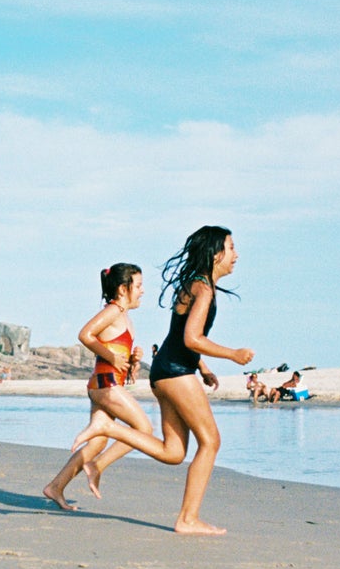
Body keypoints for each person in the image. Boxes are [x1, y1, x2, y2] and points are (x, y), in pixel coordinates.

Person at [71, 227, 254, 534]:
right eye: (231, 248)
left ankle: (108, 432)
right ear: (215, 254)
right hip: (175, 373)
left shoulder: (196, 284)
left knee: (174, 452)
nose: (236, 255)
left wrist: (204, 367)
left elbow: (181, 338)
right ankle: (188, 519)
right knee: (211, 442)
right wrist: (232, 354)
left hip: (167, 370)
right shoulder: (203, 289)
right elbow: (192, 337)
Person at [42, 263, 149, 510]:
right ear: (123, 289)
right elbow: (85, 334)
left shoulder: (124, 316)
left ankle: (55, 487)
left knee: (98, 442)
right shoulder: (113, 310)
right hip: (105, 385)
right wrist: (112, 358)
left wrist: (132, 362)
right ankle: (97, 466)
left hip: (107, 383)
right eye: (139, 285)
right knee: (143, 429)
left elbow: (113, 349)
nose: (143, 291)